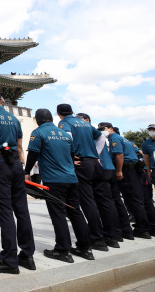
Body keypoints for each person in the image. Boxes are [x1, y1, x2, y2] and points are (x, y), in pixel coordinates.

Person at [25, 109, 93, 263]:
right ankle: (85, 248)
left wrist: (27, 171)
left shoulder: (38, 133)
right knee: (75, 211)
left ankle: (63, 249)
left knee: (58, 214)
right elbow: (71, 155)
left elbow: (33, 153)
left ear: (37, 120)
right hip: (71, 178)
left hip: (54, 180)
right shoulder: (64, 134)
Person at [0, 89, 35, 275]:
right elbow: (20, 147)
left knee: (5, 212)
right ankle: (27, 254)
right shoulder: (13, 119)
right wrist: (23, 169)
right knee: (22, 210)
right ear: (2, 100)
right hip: (16, 165)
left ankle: (9, 259)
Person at [57, 104, 117, 250]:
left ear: (59, 114)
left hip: (81, 163)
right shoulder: (85, 123)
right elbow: (101, 138)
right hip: (95, 164)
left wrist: (70, 157)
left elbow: (67, 138)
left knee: (88, 201)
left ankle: (97, 238)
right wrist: (95, 154)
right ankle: (112, 236)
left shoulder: (65, 122)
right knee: (105, 200)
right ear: (72, 111)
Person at [76, 115, 134, 241]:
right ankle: (121, 231)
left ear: (87, 121)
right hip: (108, 168)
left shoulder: (87, 133)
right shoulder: (94, 134)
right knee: (114, 201)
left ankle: (109, 234)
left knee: (103, 203)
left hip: (101, 169)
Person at [98, 122, 152, 239]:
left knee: (133, 200)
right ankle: (142, 228)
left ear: (111, 129)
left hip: (127, 170)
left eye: (104, 128)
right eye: (100, 129)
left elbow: (119, 155)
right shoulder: (123, 139)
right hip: (133, 169)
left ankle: (142, 228)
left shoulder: (114, 138)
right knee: (134, 199)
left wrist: (119, 171)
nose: (102, 130)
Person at [121, 133, 155, 237]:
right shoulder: (131, 143)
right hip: (141, 172)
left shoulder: (118, 142)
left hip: (134, 173)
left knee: (136, 201)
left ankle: (143, 229)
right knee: (146, 201)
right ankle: (154, 229)